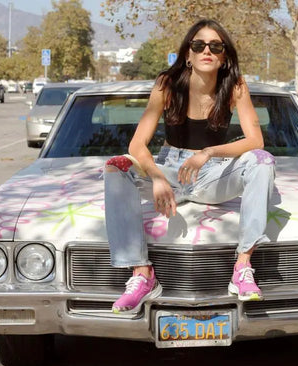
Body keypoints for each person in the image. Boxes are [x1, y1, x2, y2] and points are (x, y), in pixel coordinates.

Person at [104, 19, 276, 313]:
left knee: (262, 160)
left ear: (224, 57)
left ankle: (243, 266)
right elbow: (137, 145)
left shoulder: (235, 86)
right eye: (198, 45)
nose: (206, 50)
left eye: (215, 46)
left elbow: (255, 140)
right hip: (169, 172)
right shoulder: (167, 85)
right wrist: (156, 177)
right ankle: (141, 273)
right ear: (187, 54)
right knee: (115, 167)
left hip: (213, 175)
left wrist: (208, 151)